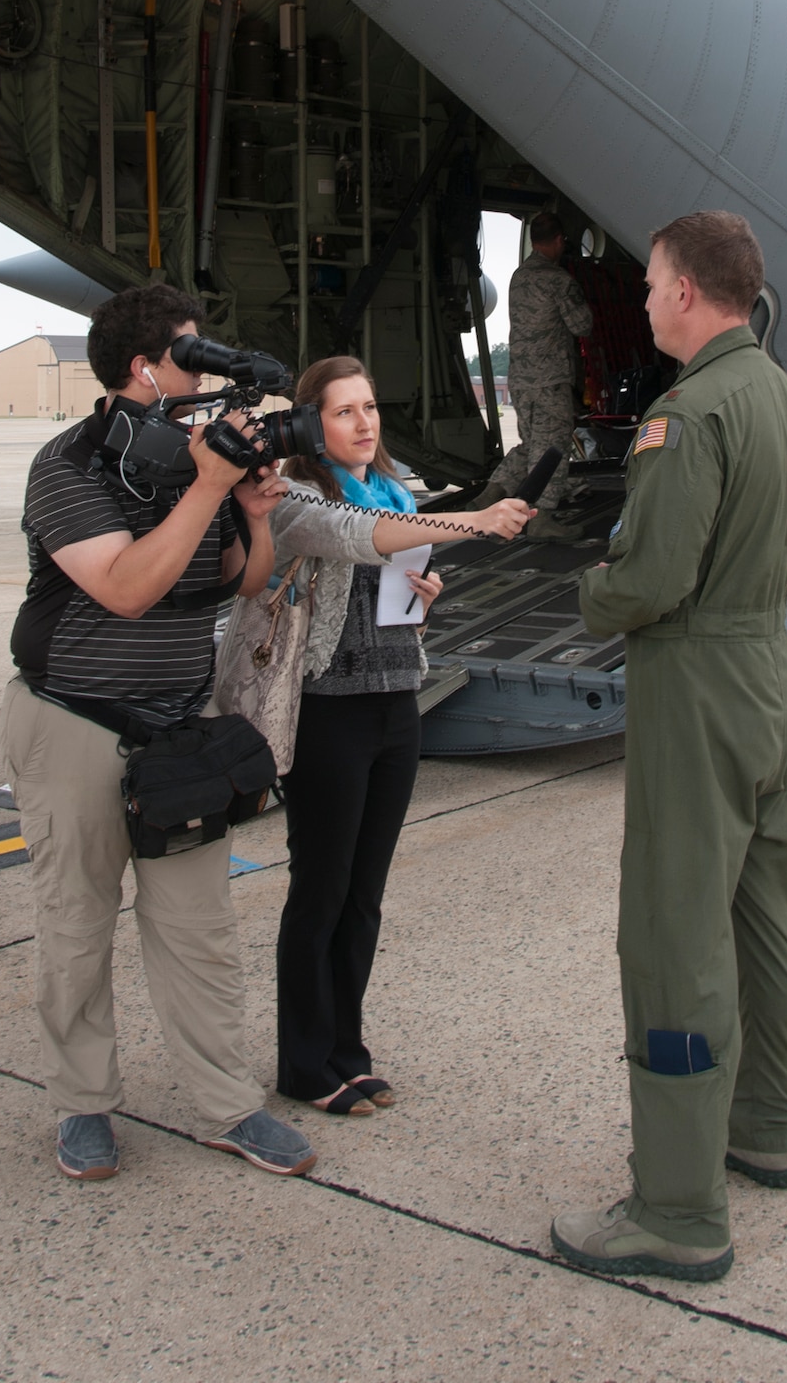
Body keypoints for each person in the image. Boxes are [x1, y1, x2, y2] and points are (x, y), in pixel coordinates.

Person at [551, 212, 787, 1283]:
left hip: (697, 682)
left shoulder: (688, 410)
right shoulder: (781, 397)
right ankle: (765, 1122)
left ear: (687, 292)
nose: (647, 295)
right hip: (765, 675)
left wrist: (588, 589)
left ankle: (675, 1206)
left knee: (672, 940)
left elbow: (649, 580)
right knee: (762, 917)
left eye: (654, 280)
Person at [0, 284, 315, 1183]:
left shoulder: (191, 465)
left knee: (198, 928)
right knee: (76, 925)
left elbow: (241, 581)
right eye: (192, 354)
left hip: (176, 732)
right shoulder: (67, 467)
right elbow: (129, 588)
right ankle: (82, 1105)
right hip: (73, 726)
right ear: (144, 370)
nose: (207, 373)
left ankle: (227, 1104)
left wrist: (250, 515)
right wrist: (208, 483)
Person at [266, 355, 532, 1115]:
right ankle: (304, 1062)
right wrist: (472, 521)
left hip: (393, 705)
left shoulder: (395, 495)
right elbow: (353, 537)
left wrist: (426, 587)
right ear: (311, 424)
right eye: (345, 410)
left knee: (365, 895)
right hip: (328, 712)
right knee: (319, 891)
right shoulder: (294, 499)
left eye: (370, 406)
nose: (364, 422)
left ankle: (347, 1050)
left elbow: (390, 543)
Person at [476, 211, 593, 539]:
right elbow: (582, 325)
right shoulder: (559, 281)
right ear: (559, 241)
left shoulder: (519, 276)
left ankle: (490, 494)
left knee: (533, 446)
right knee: (554, 448)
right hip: (550, 381)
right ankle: (542, 518)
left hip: (520, 381)